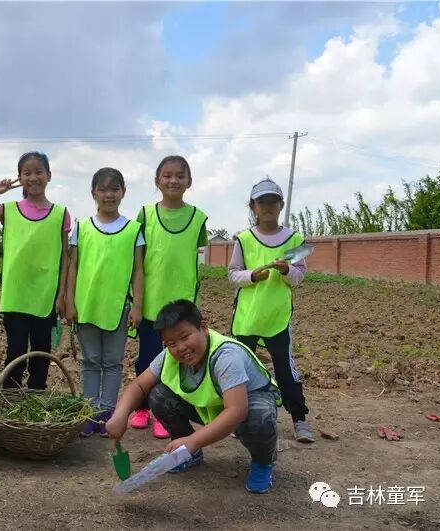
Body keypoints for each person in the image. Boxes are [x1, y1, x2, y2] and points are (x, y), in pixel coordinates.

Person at [105, 300, 281, 494]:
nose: (180, 348)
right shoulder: (169, 356)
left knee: (259, 417)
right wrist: (121, 414)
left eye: (185, 336)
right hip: (215, 407)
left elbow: (237, 410)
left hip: (245, 405)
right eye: (171, 343)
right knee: (158, 396)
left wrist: (193, 441)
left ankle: (263, 462)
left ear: (203, 327)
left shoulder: (226, 356)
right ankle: (187, 453)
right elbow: (139, 385)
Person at [0, 152, 70, 389]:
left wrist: (62, 295)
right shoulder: (8, 209)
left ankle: (36, 395)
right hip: (15, 294)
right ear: (20, 178)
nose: (33, 178)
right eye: (27, 173)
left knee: (41, 351)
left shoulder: (60, 214)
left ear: (49, 175)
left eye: (38, 172)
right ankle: (10, 396)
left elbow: (65, 257)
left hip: (45, 294)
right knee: (15, 350)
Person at [228, 177, 314, 443]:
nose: (267, 207)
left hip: (277, 317)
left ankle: (299, 419)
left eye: (273, 202)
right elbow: (233, 274)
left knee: (286, 370)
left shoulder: (295, 239)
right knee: (239, 370)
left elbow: (300, 277)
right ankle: (236, 419)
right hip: (247, 317)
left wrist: (287, 270)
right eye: (262, 202)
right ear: (253, 206)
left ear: (281, 206)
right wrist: (252, 276)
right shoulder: (244, 239)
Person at [131, 155, 208, 439]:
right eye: (167, 175)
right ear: (157, 180)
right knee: (147, 358)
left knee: (180, 359)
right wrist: (137, 303)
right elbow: (138, 263)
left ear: (189, 181)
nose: (173, 180)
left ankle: (167, 412)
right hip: (151, 303)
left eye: (179, 175)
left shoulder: (198, 218)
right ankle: (142, 407)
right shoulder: (146, 214)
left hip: (183, 305)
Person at [64, 167, 144, 437]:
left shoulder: (133, 229)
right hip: (86, 305)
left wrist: (137, 305)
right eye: (103, 189)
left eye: (114, 189)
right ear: (93, 193)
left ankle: (107, 412)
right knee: (90, 361)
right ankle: (89, 411)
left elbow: (138, 270)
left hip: (118, 307)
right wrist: (69, 301)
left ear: (123, 192)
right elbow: (73, 267)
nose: (109, 195)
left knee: (112, 362)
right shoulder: (82, 227)